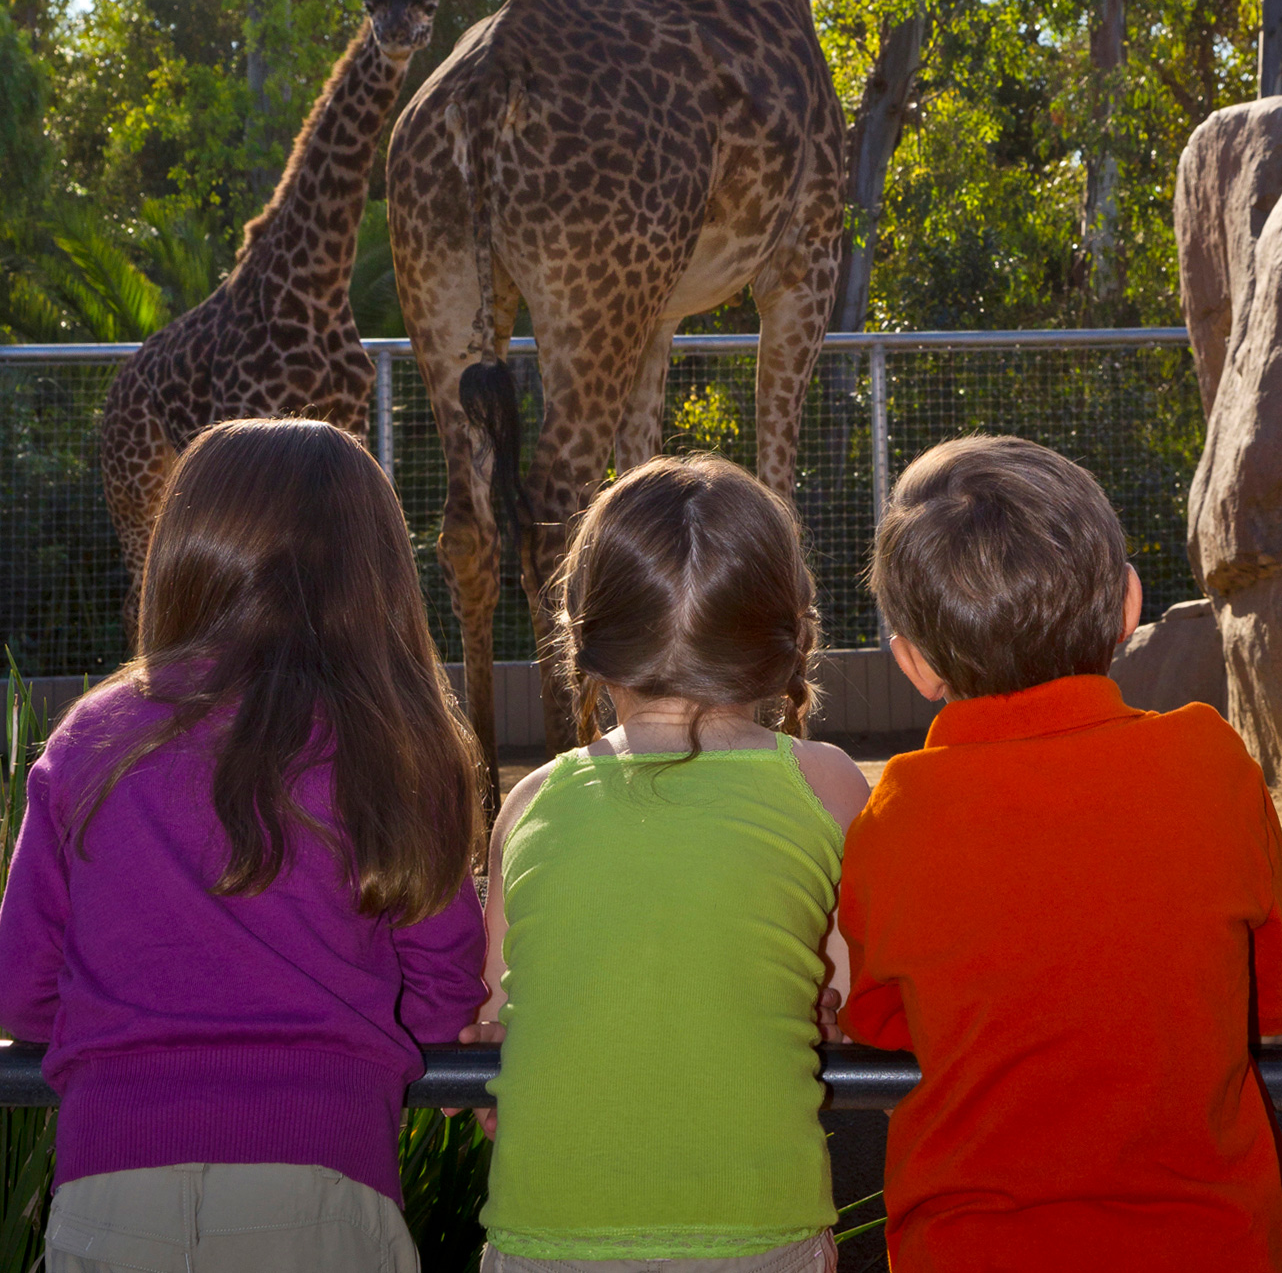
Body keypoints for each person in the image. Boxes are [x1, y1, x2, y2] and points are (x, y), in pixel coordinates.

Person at [0, 417, 487, 1273]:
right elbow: (449, 985)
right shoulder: (399, 746)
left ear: (185, 548)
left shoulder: (96, 736)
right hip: (324, 1190)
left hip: (112, 1189)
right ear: (375, 573)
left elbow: (20, 989)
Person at [839, 432, 1282, 1273]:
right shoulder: (1212, 761)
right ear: (1129, 606)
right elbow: (1273, 1003)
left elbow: (880, 1018)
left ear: (912, 661)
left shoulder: (896, 814)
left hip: (971, 1247)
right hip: (1215, 1246)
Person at [467, 452, 869, 1273]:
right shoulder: (824, 784)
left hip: (545, 1232)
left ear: (587, 634)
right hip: (756, 1225)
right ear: (782, 632)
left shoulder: (534, 798)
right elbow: (852, 997)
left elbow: (498, 1016)